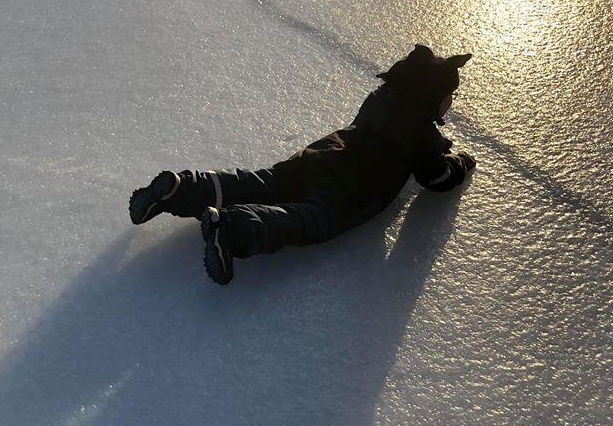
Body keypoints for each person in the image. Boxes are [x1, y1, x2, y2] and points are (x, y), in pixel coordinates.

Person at [129, 44, 476, 284]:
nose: (450, 103)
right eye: (450, 96)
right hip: (356, 185)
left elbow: (387, 128)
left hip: (324, 153)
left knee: (264, 183)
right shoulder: (421, 133)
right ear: (433, 97)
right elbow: (436, 177)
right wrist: (459, 161)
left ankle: (182, 187)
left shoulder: (380, 98)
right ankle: (233, 229)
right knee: (311, 218)